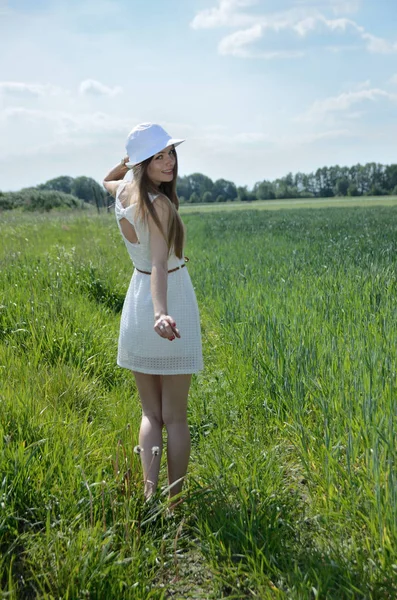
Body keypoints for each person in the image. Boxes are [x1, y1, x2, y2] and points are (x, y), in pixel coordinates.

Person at [103, 123, 203, 503]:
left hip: (136, 301)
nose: (169, 162)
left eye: (170, 153)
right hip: (166, 304)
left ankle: (149, 497)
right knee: (174, 417)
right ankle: (175, 503)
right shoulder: (158, 205)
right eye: (158, 156)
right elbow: (160, 265)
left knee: (151, 415)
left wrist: (126, 164)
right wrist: (162, 314)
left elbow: (106, 179)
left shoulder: (125, 192)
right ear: (143, 162)